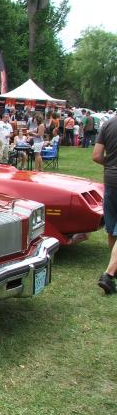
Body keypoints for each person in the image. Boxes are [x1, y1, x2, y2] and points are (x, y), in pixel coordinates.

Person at [92, 117, 117, 294]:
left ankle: (114, 268)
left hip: (110, 181)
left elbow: (97, 155)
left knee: (112, 228)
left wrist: (111, 165)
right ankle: (108, 274)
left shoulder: (108, 124)